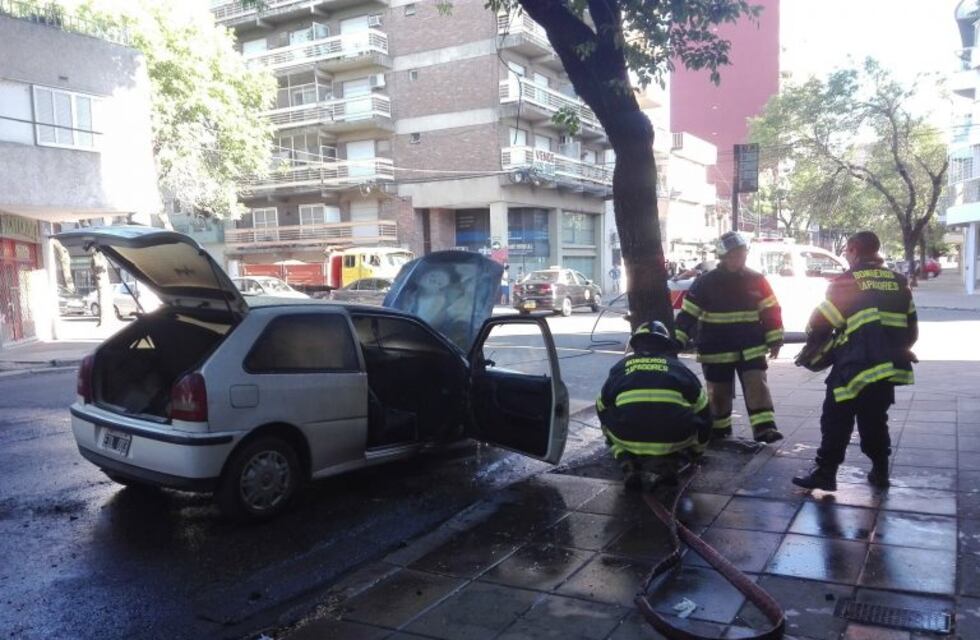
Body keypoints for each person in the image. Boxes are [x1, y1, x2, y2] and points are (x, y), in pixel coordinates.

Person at [792, 231, 917, 491]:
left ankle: (826, 473)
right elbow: (911, 331)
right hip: (887, 368)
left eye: (846, 251)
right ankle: (880, 471)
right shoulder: (898, 282)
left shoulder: (846, 282)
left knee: (836, 418)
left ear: (853, 250)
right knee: (875, 420)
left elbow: (820, 323)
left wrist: (816, 347)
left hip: (854, 366)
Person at [674, 232, 784, 443]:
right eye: (733, 256)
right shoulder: (704, 283)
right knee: (718, 393)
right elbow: (688, 314)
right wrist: (677, 340)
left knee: (757, 385)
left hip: (750, 347)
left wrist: (775, 339)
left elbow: (771, 311)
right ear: (722, 257)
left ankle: (765, 428)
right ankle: (720, 431)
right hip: (716, 349)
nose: (738, 260)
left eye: (741, 255)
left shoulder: (757, 280)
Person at [596, 321, 712, 489]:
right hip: (674, 439)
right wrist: (696, 452)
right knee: (686, 422)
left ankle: (626, 462)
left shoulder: (620, 367)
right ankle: (670, 463)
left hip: (627, 437)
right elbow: (704, 411)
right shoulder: (679, 368)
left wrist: (612, 425)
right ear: (666, 346)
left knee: (608, 423)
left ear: (636, 345)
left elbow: (600, 405)